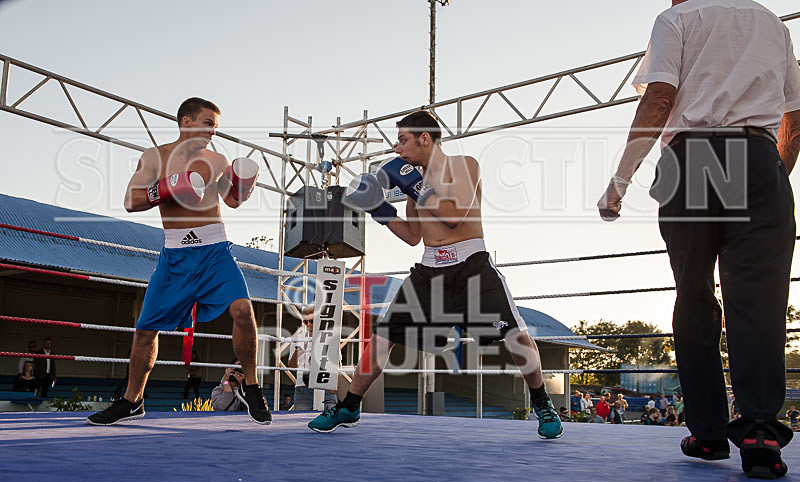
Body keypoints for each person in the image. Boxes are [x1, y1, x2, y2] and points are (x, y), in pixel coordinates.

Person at [596, 0, 800, 479]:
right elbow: (795, 117)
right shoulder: (770, 22)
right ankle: (761, 434)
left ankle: (708, 434)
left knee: (693, 296)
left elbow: (659, 99)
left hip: (691, 160)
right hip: (757, 156)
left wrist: (619, 181)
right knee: (759, 302)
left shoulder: (678, 19)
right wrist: (770, 173)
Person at [308, 111, 563, 439]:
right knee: (384, 336)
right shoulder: (413, 184)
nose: (397, 148)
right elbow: (412, 236)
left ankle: (542, 403)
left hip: (471, 265)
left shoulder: (464, 166)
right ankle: (350, 405)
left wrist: (414, 185)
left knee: (515, 335)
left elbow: (455, 216)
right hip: (430, 269)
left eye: (403, 140)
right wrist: (379, 210)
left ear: (425, 139)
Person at [87, 97, 270, 426]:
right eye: (207, 123)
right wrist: (168, 188)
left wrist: (245, 185)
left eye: (215, 126)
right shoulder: (155, 157)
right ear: (186, 122)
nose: (212, 131)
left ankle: (253, 387)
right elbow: (131, 200)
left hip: (214, 251)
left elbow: (231, 200)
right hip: (175, 255)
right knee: (145, 331)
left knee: (243, 311)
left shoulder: (216, 160)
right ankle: (132, 401)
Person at [288, 307, 337, 411]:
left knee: (330, 417)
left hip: (326, 384)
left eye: (311, 321)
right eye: (305, 321)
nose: (308, 324)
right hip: (303, 385)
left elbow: (337, 364)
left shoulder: (329, 337)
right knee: (301, 419)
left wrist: (334, 386)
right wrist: (296, 354)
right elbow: (291, 366)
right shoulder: (297, 338)